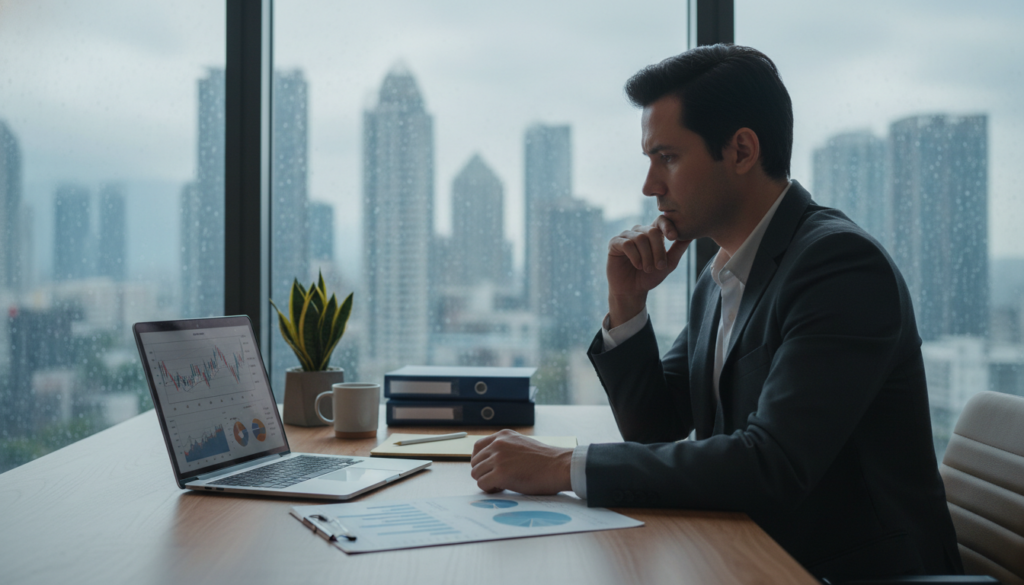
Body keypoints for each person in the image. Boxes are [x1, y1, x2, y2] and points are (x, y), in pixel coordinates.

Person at [469, 44, 964, 582]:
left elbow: (770, 465)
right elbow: (655, 429)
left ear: (742, 150)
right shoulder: (723, 273)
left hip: (845, 571)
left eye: (669, 158)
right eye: (649, 160)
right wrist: (628, 304)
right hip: (746, 551)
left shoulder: (839, 267)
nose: (649, 185)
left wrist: (563, 467)